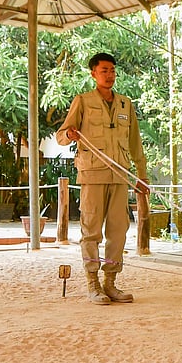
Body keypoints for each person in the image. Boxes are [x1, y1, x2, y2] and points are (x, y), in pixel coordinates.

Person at [57, 52, 150, 304]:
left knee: (118, 231)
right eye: (104, 71)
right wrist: (70, 134)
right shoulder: (83, 101)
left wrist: (141, 176)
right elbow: (61, 135)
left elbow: (135, 143)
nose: (109, 75)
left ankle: (111, 282)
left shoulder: (125, 104)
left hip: (121, 175)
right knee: (91, 232)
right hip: (92, 174)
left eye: (112, 70)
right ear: (93, 74)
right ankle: (92, 284)